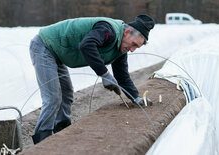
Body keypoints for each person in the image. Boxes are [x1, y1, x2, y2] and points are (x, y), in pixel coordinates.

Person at [29, 14, 155, 144]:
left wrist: (135, 97)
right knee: (53, 98)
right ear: (127, 32)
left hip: (58, 52)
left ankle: (62, 130)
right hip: (45, 46)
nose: (132, 50)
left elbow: (122, 76)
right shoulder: (108, 31)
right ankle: (42, 140)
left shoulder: (121, 48)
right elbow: (87, 45)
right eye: (133, 44)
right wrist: (105, 74)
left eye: (136, 47)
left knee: (67, 94)